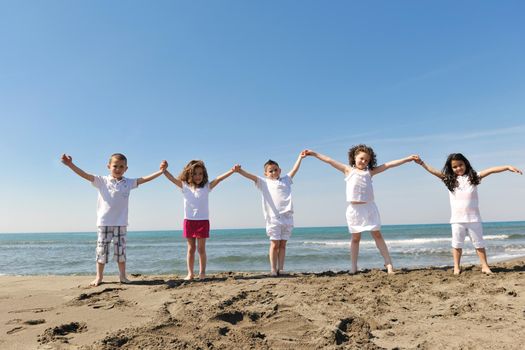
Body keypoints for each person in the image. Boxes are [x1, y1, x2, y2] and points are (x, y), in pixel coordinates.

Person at [305, 146, 418, 274]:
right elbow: (329, 160)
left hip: (369, 208)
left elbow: (388, 165)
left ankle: (389, 264)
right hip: (354, 210)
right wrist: (314, 153)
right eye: (361, 158)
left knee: (377, 235)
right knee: (355, 239)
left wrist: (407, 159)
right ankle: (353, 267)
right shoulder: (348, 170)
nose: (363, 161)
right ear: (354, 157)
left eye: (367, 160)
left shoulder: (369, 172)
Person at [61, 153, 166, 286]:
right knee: (102, 251)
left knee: (121, 252)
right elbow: (84, 175)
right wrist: (70, 164)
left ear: (126, 169)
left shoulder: (128, 182)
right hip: (104, 223)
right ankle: (99, 277)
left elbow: (144, 179)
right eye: (115, 166)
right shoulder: (102, 181)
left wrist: (161, 171)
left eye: (121, 166)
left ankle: (122, 276)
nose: (118, 169)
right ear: (108, 166)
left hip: (121, 224)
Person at [416, 153, 522, 275]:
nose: (458, 168)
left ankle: (485, 266)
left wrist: (507, 167)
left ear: (465, 164)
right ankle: (456, 267)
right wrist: (422, 163)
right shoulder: (450, 180)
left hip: (474, 219)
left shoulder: (474, 177)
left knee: (479, 244)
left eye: (460, 165)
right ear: (451, 169)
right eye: (455, 167)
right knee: (456, 245)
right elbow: (434, 172)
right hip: (457, 220)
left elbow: (491, 170)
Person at [233, 151, 307, 276]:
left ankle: (281, 268)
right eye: (270, 171)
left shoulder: (286, 180)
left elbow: (295, 169)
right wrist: (240, 171)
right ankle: (273, 268)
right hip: (273, 218)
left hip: (287, 217)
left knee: (283, 245)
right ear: (265, 173)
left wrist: (300, 157)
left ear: (280, 170)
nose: (273, 173)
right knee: (274, 244)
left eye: (275, 170)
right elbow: (251, 176)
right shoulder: (264, 182)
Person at [163, 160, 235, 280]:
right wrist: (164, 170)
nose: (198, 176)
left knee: (201, 249)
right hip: (189, 221)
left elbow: (219, 179)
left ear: (204, 175)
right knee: (191, 249)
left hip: (203, 221)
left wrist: (232, 171)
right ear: (190, 175)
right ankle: (190, 273)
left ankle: (202, 273)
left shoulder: (207, 187)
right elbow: (171, 179)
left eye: (200, 174)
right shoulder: (185, 186)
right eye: (195, 174)